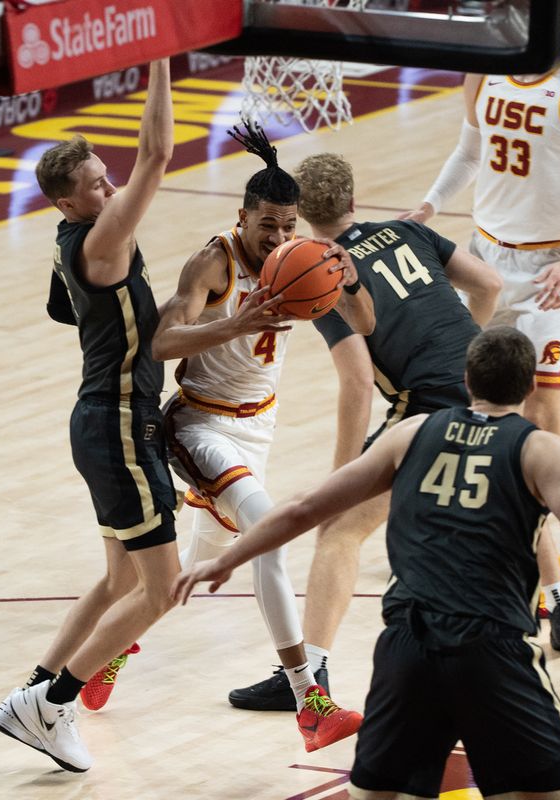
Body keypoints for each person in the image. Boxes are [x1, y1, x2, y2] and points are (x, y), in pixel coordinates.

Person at [174, 325, 560, 800]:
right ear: (530, 387)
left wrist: (229, 556)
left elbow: (305, 508)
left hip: (406, 650)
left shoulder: (410, 432)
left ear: (468, 379)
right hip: (490, 651)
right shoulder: (539, 450)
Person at [227, 151, 510, 712]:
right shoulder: (408, 230)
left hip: (426, 411)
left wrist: (342, 476)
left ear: (301, 213)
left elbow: (357, 384)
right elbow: (490, 285)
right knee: (514, 498)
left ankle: (309, 677)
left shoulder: (322, 272)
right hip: (486, 393)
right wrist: (460, 342)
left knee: (338, 530)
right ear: (355, 199)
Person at [151, 121, 374, 752]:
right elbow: (163, 342)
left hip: (258, 426)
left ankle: (107, 653)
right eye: (267, 224)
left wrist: (348, 277)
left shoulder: (302, 260)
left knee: (186, 568)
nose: (278, 237)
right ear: (243, 215)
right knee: (270, 536)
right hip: (197, 421)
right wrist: (233, 324)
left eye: (289, 226)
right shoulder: (214, 262)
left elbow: (365, 321)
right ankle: (310, 700)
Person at [401, 0, 560, 624]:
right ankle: (511, 546)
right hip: (487, 263)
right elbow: (469, 151)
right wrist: (429, 205)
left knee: (544, 417)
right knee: (481, 407)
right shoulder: (486, 69)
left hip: (552, 269)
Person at [0, 59, 179, 774]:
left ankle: (37, 686)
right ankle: (53, 704)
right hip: (121, 423)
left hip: (102, 421)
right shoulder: (101, 241)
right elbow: (158, 153)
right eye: (97, 185)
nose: (111, 187)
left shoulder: (73, 239)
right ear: (68, 205)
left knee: (120, 582)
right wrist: (163, 52)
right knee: (161, 589)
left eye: (106, 176)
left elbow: (58, 307)